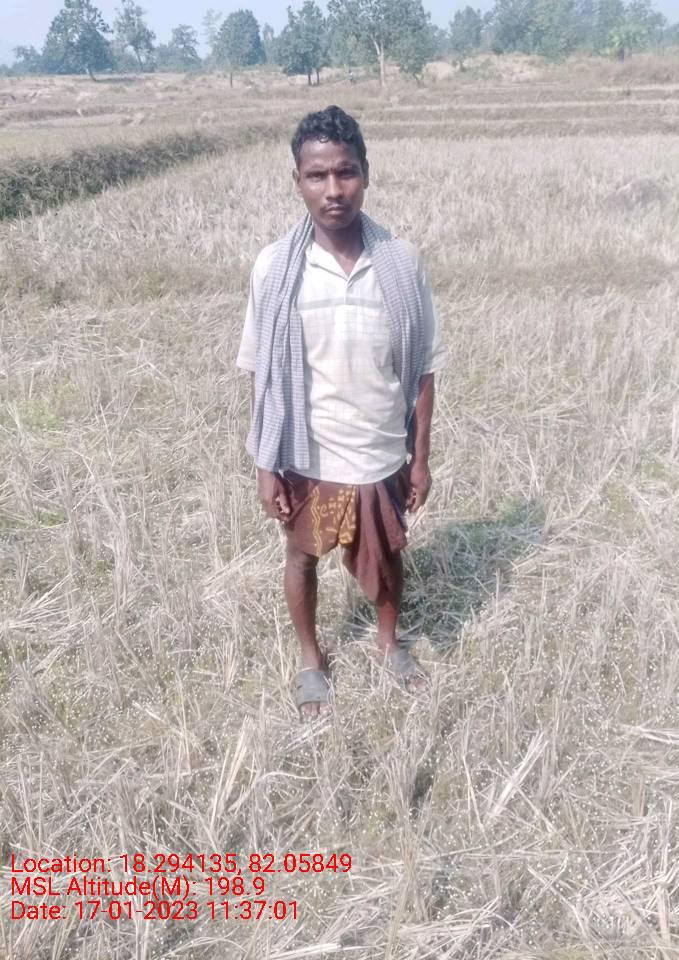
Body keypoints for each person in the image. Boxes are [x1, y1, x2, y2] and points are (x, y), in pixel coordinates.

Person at [236, 105, 447, 720]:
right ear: (298, 181)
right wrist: (265, 464)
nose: (334, 189)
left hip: (380, 448)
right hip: (309, 454)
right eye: (317, 175)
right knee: (303, 556)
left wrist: (420, 459)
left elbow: (424, 370)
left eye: (346, 172)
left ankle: (388, 642)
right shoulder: (276, 268)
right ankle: (311, 660)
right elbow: (262, 373)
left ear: (365, 174)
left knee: (388, 554)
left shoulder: (401, 263)